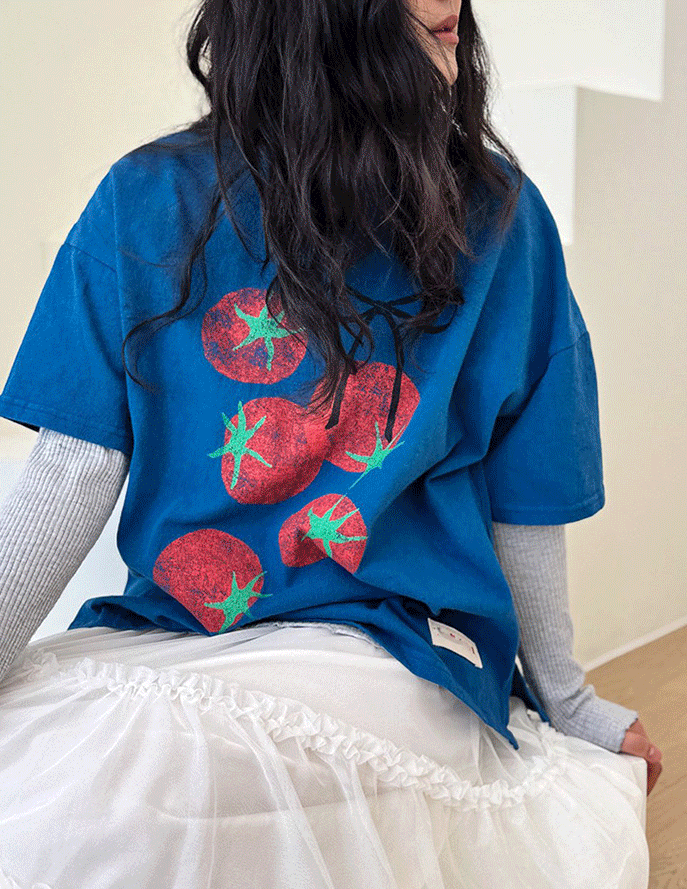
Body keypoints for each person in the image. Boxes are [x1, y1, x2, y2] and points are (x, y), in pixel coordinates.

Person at [0, 0, 662, 886]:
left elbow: (526, 495)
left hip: (398, 643)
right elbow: (71, 472)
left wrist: (566, 699)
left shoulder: (500, 217)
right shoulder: (143, 198)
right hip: (180, 632)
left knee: (132, 785)